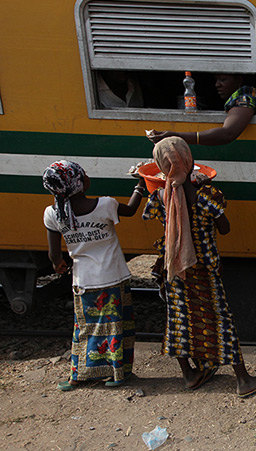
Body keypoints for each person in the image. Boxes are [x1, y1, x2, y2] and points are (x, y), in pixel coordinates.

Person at [142, 137, 256, 397]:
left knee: (179, 319)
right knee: (219, 319)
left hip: (175, 269)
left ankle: (190, 374)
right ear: (190, 162)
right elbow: (225, 229)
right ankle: (243, 380)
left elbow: (155, 214)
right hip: (204, 269)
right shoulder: (207, 196)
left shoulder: (159, 196)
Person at [43, 160, 146, 391]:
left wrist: (58, 265)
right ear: (80, 183)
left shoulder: (52, 214)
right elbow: (130, 210)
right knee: (116, 326)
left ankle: (77, 376)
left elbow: (54, 254)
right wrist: (141, 184)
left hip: (83, 280)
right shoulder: (106, 205)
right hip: (113, 277)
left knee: (84, 328)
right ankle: (117, 374)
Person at [148, 73, 256, 146]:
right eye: (216, 80)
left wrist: (177, 136)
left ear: (238, 80)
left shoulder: (244, 98)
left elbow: (227, 133)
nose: (217, 84)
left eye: (223, 80)